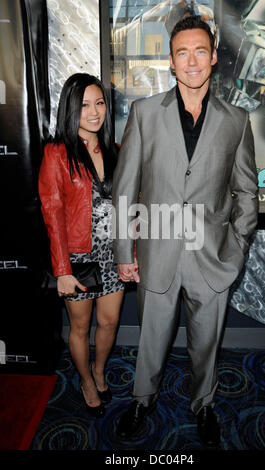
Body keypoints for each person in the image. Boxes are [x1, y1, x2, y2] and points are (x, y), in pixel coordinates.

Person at [112, 16, 258, 446]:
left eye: (200, 51)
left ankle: (204, 405)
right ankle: (142, 400)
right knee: (151, 338)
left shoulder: (237, 119)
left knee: (205, 344)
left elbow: (246, 192)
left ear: (213, 58)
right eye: (182, 52)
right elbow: (125, 190)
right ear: (171, 62)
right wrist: (124, 252)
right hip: (157, 252)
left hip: (212, 255)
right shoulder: (144, 114)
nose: (191, 61)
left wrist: (238, 246)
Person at [39, 73, 124, 418]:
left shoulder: (115, 150)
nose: (94, 112)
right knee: (79, 327)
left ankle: (100, 370)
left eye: (99, 103)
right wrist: (61, 269)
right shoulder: (57, 153)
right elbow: (52, 211)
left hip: (113, 254)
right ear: (72, 109)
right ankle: (86, 380)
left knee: (109, 321)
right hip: (78, 257)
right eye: (85, 105)